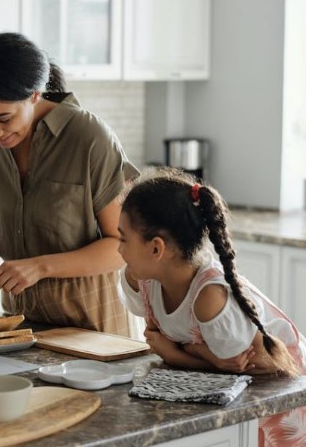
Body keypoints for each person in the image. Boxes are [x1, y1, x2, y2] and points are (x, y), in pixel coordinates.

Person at [0, 32, 140, 336]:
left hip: (93, 329)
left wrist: (39, 267)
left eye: (4, 118)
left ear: (35, 94)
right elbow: (5, 222)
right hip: (20, 328)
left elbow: (123, 246)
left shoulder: (88, 137)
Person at [118, 168, 304, 446]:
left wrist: (178, 354)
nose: (118, 249)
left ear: (156, 249)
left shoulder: (210, 298)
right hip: (223, 388)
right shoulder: (143, 278)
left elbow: (246, 368)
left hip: (278, 391)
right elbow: (217, 364)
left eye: (123, 239)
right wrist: (203, 355)